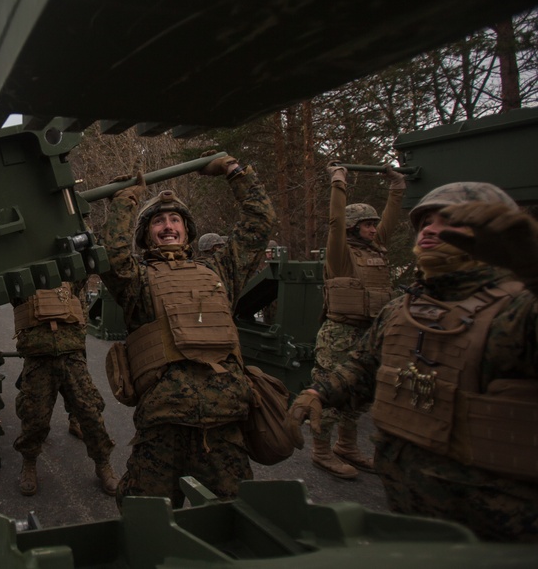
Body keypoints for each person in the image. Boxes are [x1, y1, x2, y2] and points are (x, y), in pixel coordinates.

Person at [288, 182, 538, 542]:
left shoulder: (518, 312)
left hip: (497, 531)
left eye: (447, 221)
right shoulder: (401, 311)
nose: (431, 230)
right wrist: (319, 391)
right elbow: (362, 367)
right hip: (408, 509)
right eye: (424, 223)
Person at [100, 152, 275, 508]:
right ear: (147, 235)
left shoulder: (221, 270)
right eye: (158, 222)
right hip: (163, 424)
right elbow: (114, 256)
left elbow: (259, 223)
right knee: (146, 517)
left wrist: (234, 171)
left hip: (225, 422)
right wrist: (124, 201)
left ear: (187, 229)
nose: (168, 226)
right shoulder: (137, 281)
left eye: (175, 219)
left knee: (234, 519)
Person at [310, 163, 406, 478]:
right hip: (340, 333)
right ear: (354, 228)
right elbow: (335, 222)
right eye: (367, 224)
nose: (373, 229)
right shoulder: (340, 255)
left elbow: (390, 221)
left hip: (371, 332)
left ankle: (347, 446)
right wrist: (338, 182)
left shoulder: (377, 251)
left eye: (373, 224)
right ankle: (321, 450)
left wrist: (397, 188)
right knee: (332, 393)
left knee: (360, 394)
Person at [12, 280, 119, 497]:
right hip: (38, 357)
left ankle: (103, 463)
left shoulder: (70, 273)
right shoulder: (21, 276)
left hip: (72, 355)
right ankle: (29, 462)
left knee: (90, 412)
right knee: (35, 417)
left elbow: (88, 255)